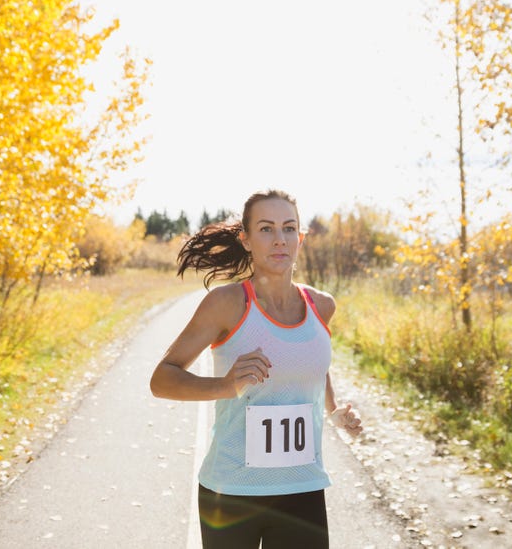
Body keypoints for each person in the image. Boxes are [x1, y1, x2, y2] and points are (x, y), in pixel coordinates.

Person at [150, 189, 363, 549]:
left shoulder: (322, 305)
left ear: (301, 238)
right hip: (232, 491)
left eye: (288, 228)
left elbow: (311, 363)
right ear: (246, 240)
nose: (279, 239)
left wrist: (334, 411)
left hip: (303, 488)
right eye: (266, 229)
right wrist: (225, 386)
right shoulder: (226, 304)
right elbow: (161, 379)